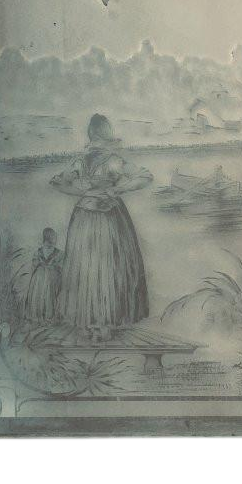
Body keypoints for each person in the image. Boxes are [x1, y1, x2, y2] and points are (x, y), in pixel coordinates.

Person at [51, 114, 153, 337]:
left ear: (90, 135)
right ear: (106, 135)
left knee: (88, 267)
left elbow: (57, 181)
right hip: (109, 218)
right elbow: (145, 176)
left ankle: (89, 323)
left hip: (84, 218)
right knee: (108, 267)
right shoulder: (114, 160)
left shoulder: (79, 161)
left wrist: (82, 192)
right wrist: (117, 189)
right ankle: (104, 323)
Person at [23, 227, 63, 322]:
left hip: (46, 277)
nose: (56, 239)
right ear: (49, 238)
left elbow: (60, 266)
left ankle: (45, 316)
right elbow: (34, 264)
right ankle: (43, 316)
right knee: (42, 293)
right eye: (54, 237)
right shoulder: (42, 252)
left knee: (46, 294)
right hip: (43, 277)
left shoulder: (56, 253)